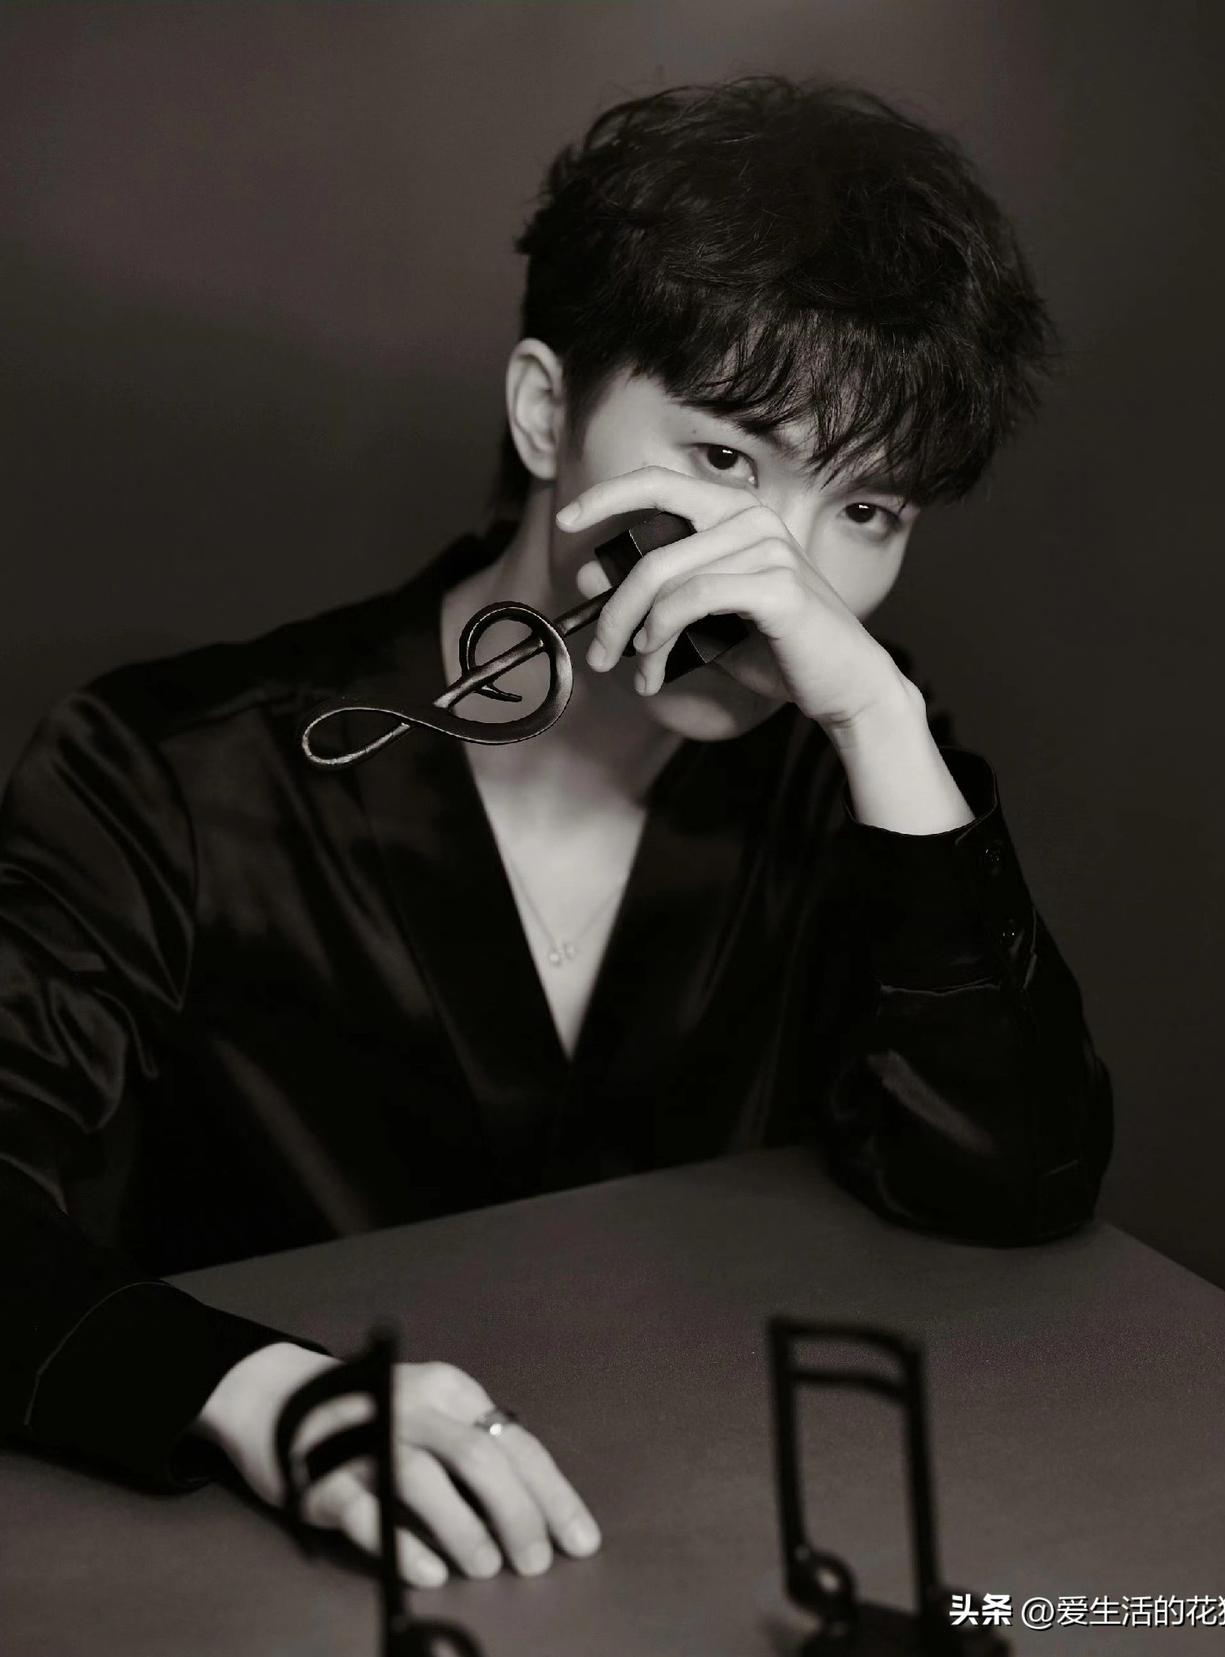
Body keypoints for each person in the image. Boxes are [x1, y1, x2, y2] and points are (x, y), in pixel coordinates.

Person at [0, 75, 1112, 1591]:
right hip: (285, 1584)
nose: (780, 575)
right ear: (546, 411)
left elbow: (1017, 1183)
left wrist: (880, 725)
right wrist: (258, 1395)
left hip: (728, 1552)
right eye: (727, 460)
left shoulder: (861, 775)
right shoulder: (170, 769)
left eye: (870, 513)